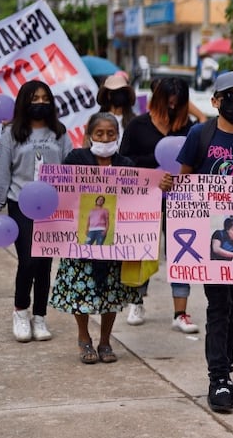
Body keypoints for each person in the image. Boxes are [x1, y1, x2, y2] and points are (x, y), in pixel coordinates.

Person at [177, 71, 233, 414]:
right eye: (228, 96)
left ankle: (226, 375)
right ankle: (217, 379)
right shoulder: (200, 135)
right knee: (218, 307)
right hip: (209, 236)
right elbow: (183, 181)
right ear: (215, 101)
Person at [49, 112, 173, 364]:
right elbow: (62, 193)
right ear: (89, 135)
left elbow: (140, 195)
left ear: (118, 135)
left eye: (111, 134)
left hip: (115, 243)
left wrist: (159, 185)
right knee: (79, 292)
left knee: (110, 294)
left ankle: (105, 341)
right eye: (99, 134)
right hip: (81, 242)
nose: (105, 138)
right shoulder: (75, 159)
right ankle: (84, 338)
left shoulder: (126, 164)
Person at [0, 80, 74, 343]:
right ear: (24, 102)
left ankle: (40, 316)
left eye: (45, 98)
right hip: (21, 205)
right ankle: (20, 311)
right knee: (28, 261)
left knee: (45, 264)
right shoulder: (11, 134)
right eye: (34, 98)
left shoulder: (60, 133)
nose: (40, 103)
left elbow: (71, 169)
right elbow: (1, 175)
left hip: (53, 207)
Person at [120, 76, 199, 329]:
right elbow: (124, 162)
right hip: (145, 199)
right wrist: (154, 169)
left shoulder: (192, 129)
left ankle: (180, 313)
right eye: (168, 104)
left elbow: (200, 163)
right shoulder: (137, 126)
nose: (172, 109)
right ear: (157, 101)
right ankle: (137, 301)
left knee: (181, 251)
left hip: (181, 199)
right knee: (142, 249)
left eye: (178, 104)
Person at [96, 72, 137, 138]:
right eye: (115, 92)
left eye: (122, 91)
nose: (119, 94)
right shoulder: (96, 120)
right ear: (108, 95)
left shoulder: (134, 121)